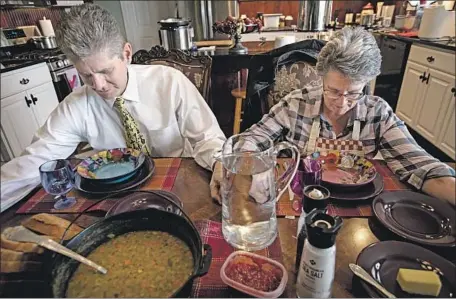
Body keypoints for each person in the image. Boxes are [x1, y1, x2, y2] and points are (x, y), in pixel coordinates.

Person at [1, 4, 226, 212]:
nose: (98, 85)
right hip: (117, 194)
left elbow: (207, 137)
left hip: (181, 182)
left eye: (106, 71)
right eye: (86, 75)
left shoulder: (170, 82)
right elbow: (32, 163)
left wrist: (219, 162)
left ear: (126, 54)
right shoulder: (76, 105)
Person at [210, 27, 455, 206]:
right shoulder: (297, 103)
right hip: (302, 202)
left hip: (358, 204)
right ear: (323, 77)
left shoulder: (377, 112)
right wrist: (251, 164)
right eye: (334, 91)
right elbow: (251, 138)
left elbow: (420, 164)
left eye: (354, 93)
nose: (343, 103)